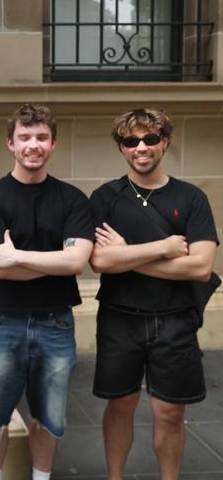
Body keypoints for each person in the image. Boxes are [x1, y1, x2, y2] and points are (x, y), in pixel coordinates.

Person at [89, 108, 218, 480]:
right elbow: (97, 261)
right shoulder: (105, 197)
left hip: (175, 320)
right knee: (120, 405)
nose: (141, 148)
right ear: (121, 148)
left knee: (170, 413)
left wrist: (124, 255)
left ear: (165, 142)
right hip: (119, 318)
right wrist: (162, 248)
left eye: (149, 139)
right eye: (131, 141)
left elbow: (200, 267)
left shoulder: (191, 198)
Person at [0, 104, 94, 480]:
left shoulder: (73, 200)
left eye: (41, 137)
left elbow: (77, 263)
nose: (33, 145)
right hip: (0, 323)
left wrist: (17, 256)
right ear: (11, 143)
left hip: (55, 324)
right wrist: (49, 262)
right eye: (25, 137)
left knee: (51, 415)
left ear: (53, 143)